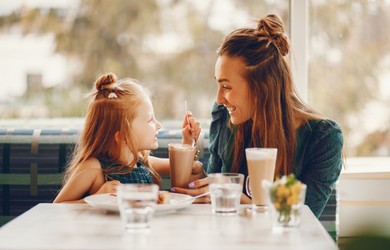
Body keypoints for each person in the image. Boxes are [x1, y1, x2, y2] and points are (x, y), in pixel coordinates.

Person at [172, 14, 344, 218]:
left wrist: (234, 194)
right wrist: (199, 179)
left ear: (262, 87)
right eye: (218, 85)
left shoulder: (323, 138)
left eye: (226, 87)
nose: (219, 99)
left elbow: (301, 219)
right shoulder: (225, 118)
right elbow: (217, 195)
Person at [54, 72, 201, 203]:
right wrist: (96, 197)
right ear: (123, 135)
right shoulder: (93, 168)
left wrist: (188, 141)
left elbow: (182, 168)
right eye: (150, 120)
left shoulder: (142, 162)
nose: (158, 125)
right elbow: (56, 207)